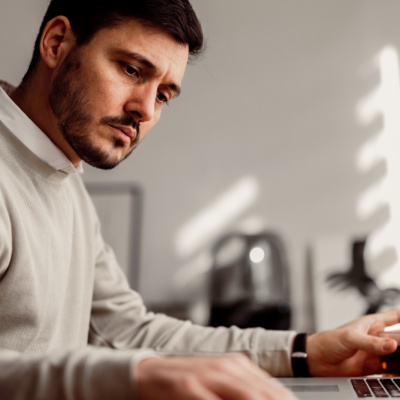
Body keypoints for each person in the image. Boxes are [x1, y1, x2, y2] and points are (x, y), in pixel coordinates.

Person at [0, 1, 400, 399]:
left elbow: (126, 332)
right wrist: (135, 376)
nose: (144, 108)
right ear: (56, 43)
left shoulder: (63, 177)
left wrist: (306, 353)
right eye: (131, 69)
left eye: (163, 95)